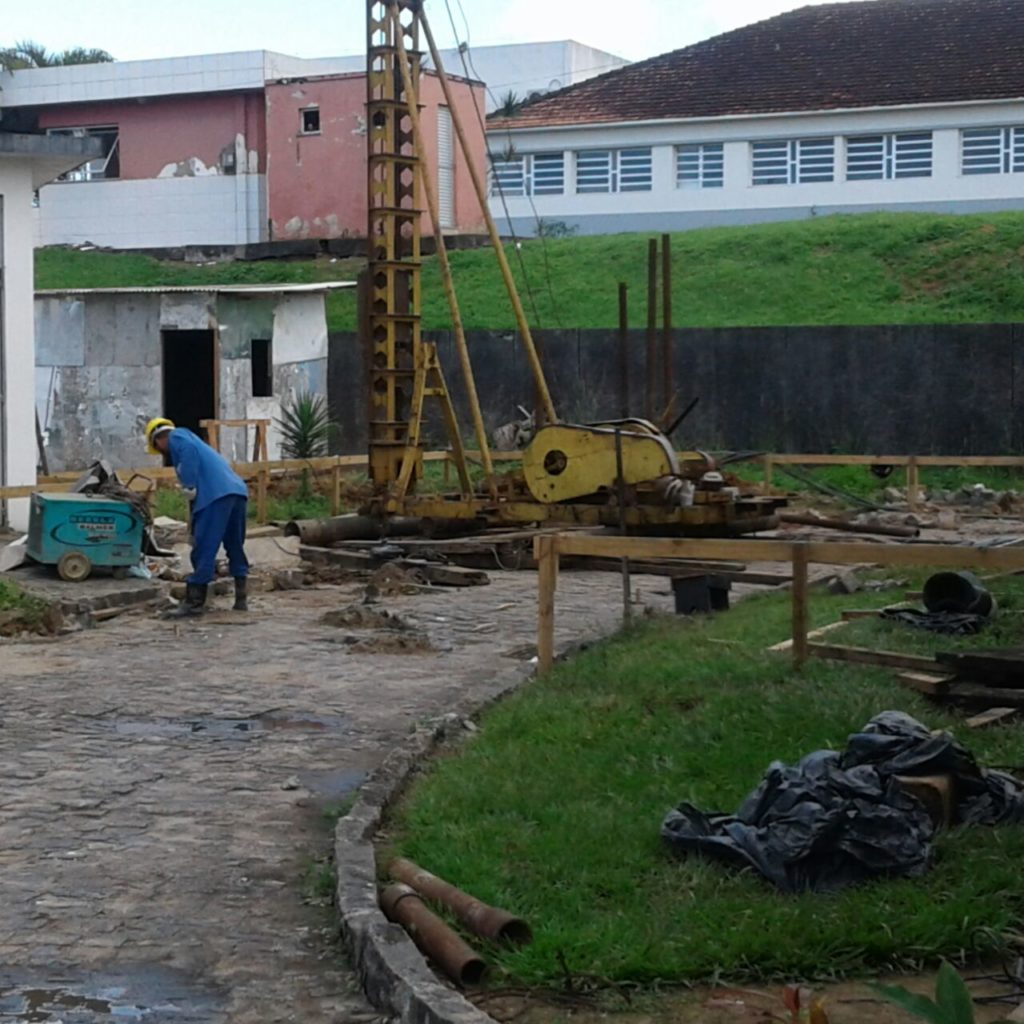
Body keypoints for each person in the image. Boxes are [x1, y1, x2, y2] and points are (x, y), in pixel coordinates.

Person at [144, 417, 250, 617]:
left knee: (204, 548)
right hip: (237, 492)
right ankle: (241, 599)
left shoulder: (178, 437)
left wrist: (189, 484)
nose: (161, 452)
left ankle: (194, 604)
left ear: (157, 439)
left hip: (215, 495)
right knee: (235, 545)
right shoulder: (194, 440)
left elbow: (188, 453)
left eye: (157, 448)